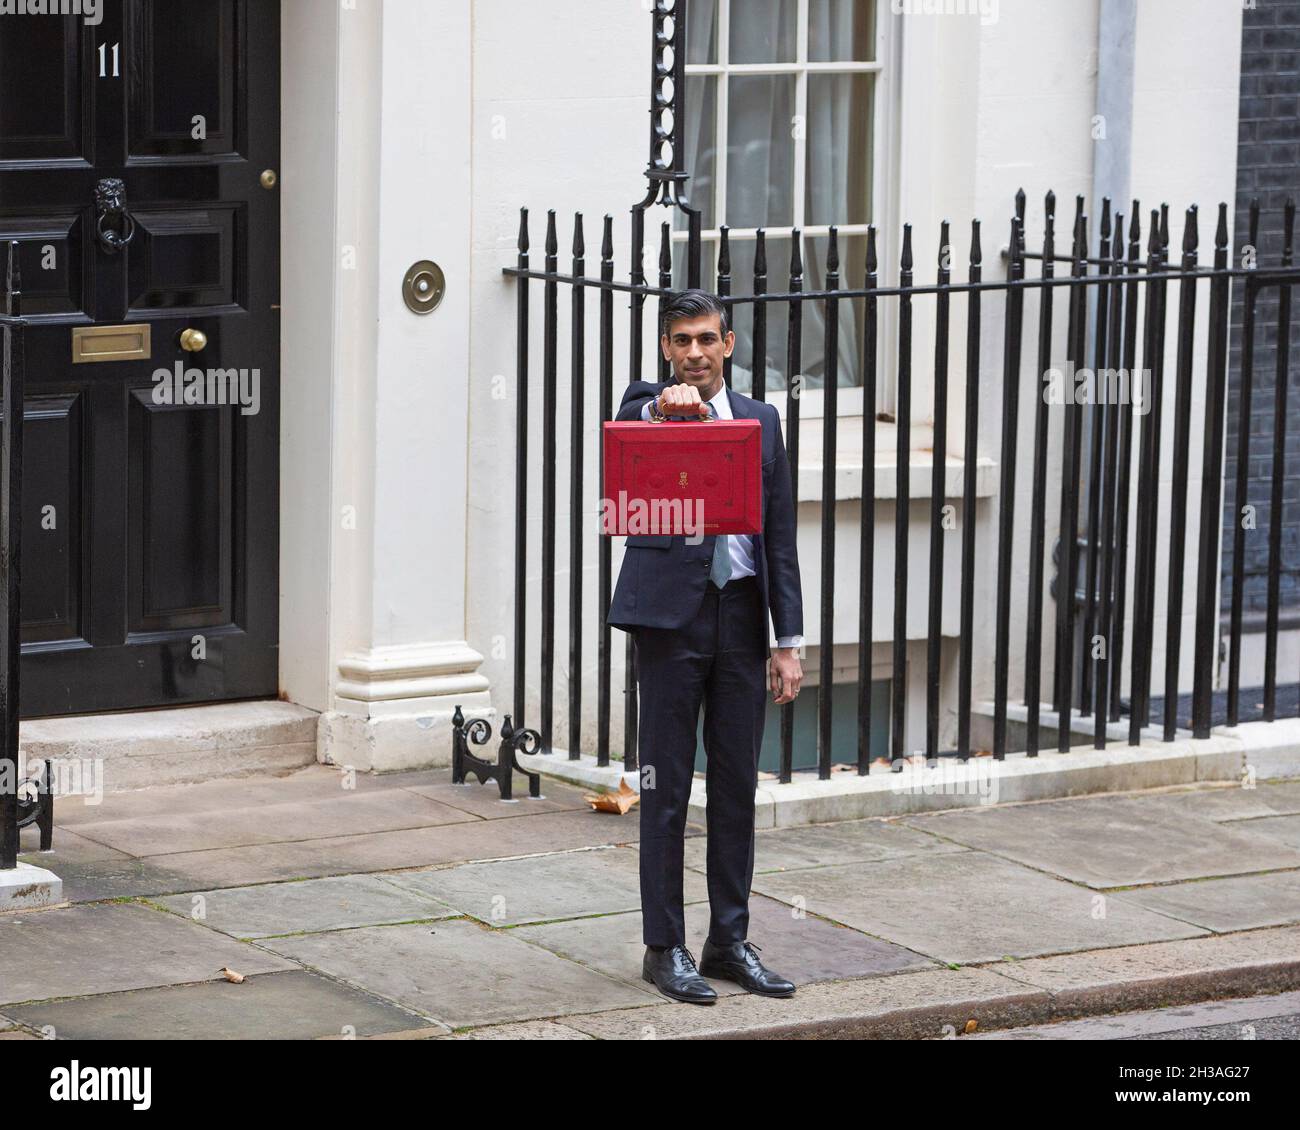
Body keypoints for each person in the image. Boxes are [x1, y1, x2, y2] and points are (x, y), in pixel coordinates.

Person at [606, 288, 805, 1005]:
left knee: (735, 788)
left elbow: (778, 537)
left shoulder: (762, 420)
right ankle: (664, 949)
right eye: (681, 340)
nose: (694, 352)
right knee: (664, 790)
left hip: (744, 619)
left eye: (706, 339)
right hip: (671, 623)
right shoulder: (647, 407)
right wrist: (664, 408)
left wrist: (789, 641)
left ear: (728, 344)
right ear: (667, 348)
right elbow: (630, 419)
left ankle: (729, 941)